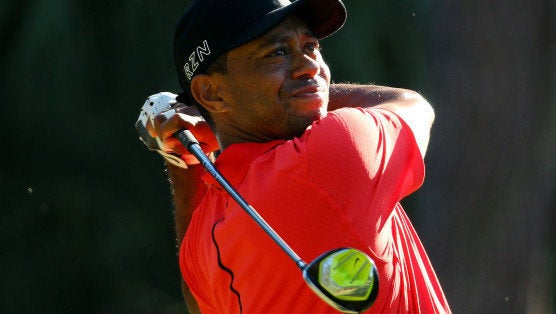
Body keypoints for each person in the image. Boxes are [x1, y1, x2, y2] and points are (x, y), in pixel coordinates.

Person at [139, 0, 450, 312]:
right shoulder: (332, 149)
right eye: (277, 53)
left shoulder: (203, 233)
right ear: (212, 93)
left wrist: (183, 157)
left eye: (310, 46)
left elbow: (198, 301)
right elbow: (410, 103)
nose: (311, 66)